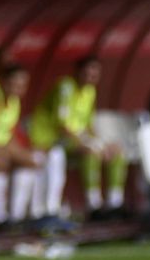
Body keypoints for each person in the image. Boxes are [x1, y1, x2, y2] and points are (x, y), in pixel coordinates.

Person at [29, 57, 128, 222]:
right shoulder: (66, 87)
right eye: (87, 72)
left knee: (116, 152)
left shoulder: (90, 91)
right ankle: (94, 206)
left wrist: (102, 144)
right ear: (78, 72)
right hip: (53, 139)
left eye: (95, 73)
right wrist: (89, 144)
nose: (91, 76)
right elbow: (63, 126)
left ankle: (114, 204)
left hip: (75, 139)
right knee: (91, 153)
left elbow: (88, 126)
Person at [0, 64, 39, 231]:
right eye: (15, 84)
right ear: (4, 82)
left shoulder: (14, 102)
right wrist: (6, 151)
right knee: (1, 162)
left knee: (31, 162)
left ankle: (16, 216)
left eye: (22, 85)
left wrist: (23, 153)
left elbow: (10, 134)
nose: (19, 88)